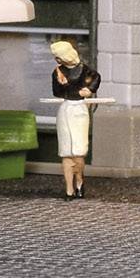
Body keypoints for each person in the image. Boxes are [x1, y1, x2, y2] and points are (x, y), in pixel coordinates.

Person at [50, 40, 103, 201]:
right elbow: (58, 92)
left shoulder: (88, 72)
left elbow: (90, 86)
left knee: (79, 152)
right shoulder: (58, 73)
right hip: (66, 109)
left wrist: (84, 90)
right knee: (66, 152)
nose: (57, 61)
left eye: (59, 57)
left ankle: (79, 180)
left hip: (79, 110)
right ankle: (69, 189)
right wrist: (66, 86)